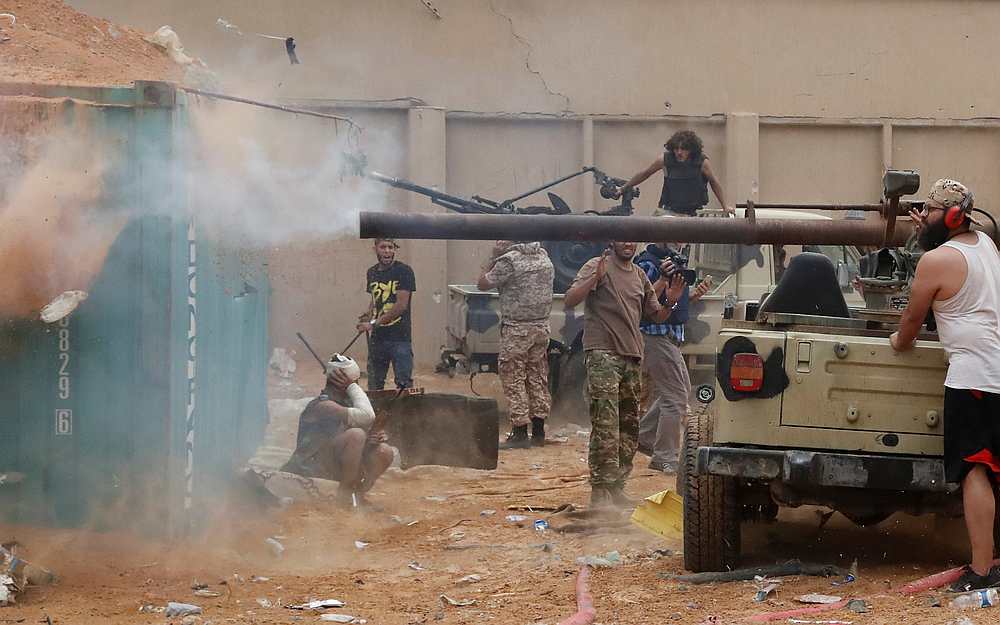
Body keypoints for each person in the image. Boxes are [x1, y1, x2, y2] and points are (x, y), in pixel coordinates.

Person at [890, 178, 1000, 592]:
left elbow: (910, 325)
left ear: (951, 216)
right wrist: (926, 234)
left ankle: (982, 570)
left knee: (975, 469)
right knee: (994, 473)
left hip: (973, 377)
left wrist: (897, 342)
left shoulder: (936, 262)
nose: (924, 217)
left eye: (930, 211)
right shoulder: (986, 245)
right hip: (996, 372)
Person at [563, 242, 679, 506]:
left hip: (632, 356)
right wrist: (595, 278)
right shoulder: (597, 266)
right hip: (603, 352)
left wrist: (671, 301)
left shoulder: (639, 275)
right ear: (613, 241)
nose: (628, 243)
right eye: (623, 238)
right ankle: (600, 492)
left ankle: (616, 488)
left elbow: (655, 315)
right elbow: (570, 300)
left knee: (629, 427)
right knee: (606, 425)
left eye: (632, 239)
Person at [634, 243, 712, 473]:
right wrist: (662, 280)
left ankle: (645, 437)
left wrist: (692, 297)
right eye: (674, 237)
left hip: (667, 336)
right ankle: (664, 457)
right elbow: (641, 301)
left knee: (679, 390)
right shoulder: (649, 264)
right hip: (654, 335)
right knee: (675, 397)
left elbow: (672, 303)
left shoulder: (670, 261)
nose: (680, 243)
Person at [281, 354, 395, 507]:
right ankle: (345, 496)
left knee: (384, 451)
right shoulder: (323, 405)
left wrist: (372, 440)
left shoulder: (346, 403)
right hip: (311, 467)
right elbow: (366, 417)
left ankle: (357, 495)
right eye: (354, 382)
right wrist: (353, 387)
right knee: (356, 435)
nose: (356, 385)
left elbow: (349, 438)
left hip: (334, 464)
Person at [477, 240, 555, 449]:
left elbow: (482, 284)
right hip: (541, 327)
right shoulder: (544, 256)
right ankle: (538, 431)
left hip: (517, 329)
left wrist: (493, 255)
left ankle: (520, 431)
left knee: (514, 377)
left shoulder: (508, 261)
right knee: (537, 376)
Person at [617, 129, 734, 216]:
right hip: (668, 210)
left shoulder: (702, 163)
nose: (679, 152)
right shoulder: (665, 160)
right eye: (676, 149)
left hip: (690, 213)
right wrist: (623, 188)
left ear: (691, 149)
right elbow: (645, 173)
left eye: (683, 149)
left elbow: (714, 183)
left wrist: (725, 206)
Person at [358, 238, 416, 390]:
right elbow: (375, 298)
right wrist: (368, 313)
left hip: (400, 339)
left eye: (390, 247)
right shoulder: (371, 272)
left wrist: (372, 324)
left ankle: (404, 414)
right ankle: (378, 414)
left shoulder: (404, 271)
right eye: (383, 247)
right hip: (377, 339)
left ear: (395, 249)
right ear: (375, 249)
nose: (387, 251)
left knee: (404, 386)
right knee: (374, 385)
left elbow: (401, 306)